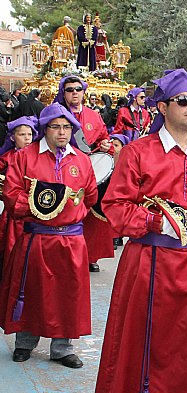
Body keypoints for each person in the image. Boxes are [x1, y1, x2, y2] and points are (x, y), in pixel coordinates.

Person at [92, 68, 187, 393]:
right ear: (163, 107)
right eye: (183, 101)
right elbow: (115, 207)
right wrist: (156, 222)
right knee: (145, 342)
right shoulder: (138, 152)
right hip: (148, 263)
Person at [0, 103, 98, 368]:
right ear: (45, 129)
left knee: (68, 293)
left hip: (71, 240)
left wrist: (68, 213)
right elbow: (11, 195)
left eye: (67, 127)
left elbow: (90, 197)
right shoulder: (25, 157)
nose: (62, 132)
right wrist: (38, 208)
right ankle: (24, 342)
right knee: (31, 289)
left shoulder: (81, 160)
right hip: (37, 238)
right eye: (55, 127)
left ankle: (62, 347)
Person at [54, 75, 112, 272]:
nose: (74, 93)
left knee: (91, 215)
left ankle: (90, 256)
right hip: (62, 169)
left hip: (90, 169)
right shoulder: (56, 114)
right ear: (64, 92)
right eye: (70, 89)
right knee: (65, 211)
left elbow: (105, 137)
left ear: (83, 92)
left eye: (78, 89)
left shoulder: (93, 116)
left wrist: (106, 145)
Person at [0, 116, 37, 276]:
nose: (27, 138)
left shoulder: (37, 158)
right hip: (12, 215)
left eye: (29, 134)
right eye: (22, 135)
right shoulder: (6, 159)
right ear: (13, 137)